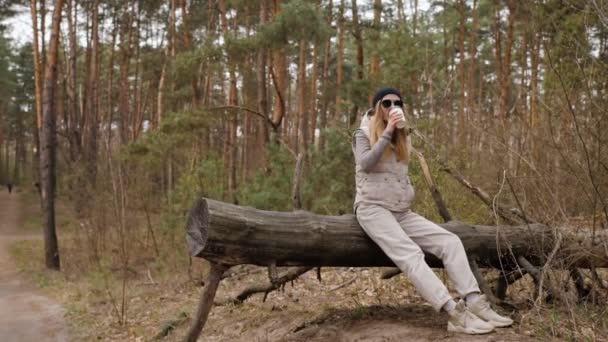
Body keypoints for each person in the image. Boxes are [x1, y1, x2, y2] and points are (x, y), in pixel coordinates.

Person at [351, 87, 513, 335]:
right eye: (387, 102)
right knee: (411, 255)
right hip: (372, 209)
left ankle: (475, 303)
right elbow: (366, 163)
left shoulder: (403, 136)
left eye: (398, 102)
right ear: (376, 108)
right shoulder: (362, 134)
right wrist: (387, 133)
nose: (393, 106)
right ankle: (455, 314)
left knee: (450, 241)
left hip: (401, 211)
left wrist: (397, 133)